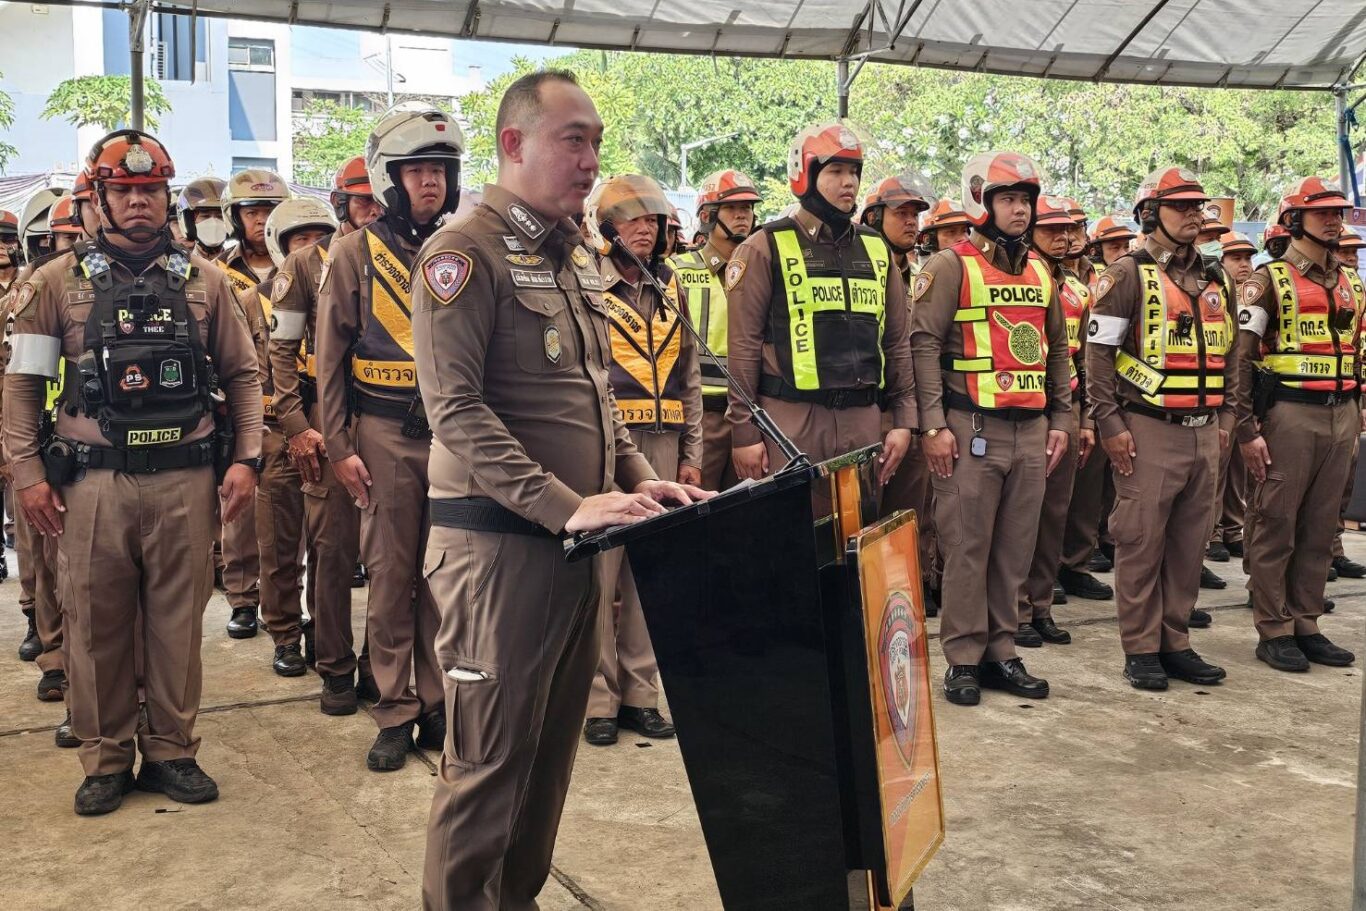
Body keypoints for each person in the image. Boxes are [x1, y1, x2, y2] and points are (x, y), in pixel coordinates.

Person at [412, 68, 707, 910]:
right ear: (513, 143)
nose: (591, 161)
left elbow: (596, 398)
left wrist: (642, 481)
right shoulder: (462, 253)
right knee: (486, 768)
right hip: (497, 553)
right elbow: (456, 410)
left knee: (545, 764)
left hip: (578, 547)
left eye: (596, 142)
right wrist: (566, 503)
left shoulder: (571, 254)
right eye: (573, 140)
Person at [3, 129, 262, 814]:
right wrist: (27, 474)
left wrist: (246, 459)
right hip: (92, 484)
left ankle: (172, 751)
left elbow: (243, 376)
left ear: (166, 196)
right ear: (99, 198)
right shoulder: (52, 283)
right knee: (94, 626)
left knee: (178, 626)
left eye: (151, 189)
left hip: (186, 479)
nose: (140, 201)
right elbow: (23, 387)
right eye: (125, 190)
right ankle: (106, 758)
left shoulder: (206, 281)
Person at [316, 105, 460, 771]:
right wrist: (340, 447)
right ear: (389, 178)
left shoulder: (464, 247)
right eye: (417, 170)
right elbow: (329, 359)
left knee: (444, 577)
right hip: (382, 433)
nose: (430, 182)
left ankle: (437, 701)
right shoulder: (353, 252)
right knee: (391, 574)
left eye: (440, 170)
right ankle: (396, 709)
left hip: (453, 437)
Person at [911, 151, 1072, 706]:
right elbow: (923, 346)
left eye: (1025, 200)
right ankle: (962, 657)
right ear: (981, 201)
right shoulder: (949, 265)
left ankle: (1002, 649)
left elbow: (1057, 352)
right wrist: (933, 425)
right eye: (1008, 199)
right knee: (966, 547)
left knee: (1015, 549)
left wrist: (1062, 418)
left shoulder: (1041, 270)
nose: (1019, 210)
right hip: (970, 426)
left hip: (1031, 430)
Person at [1085, 167, 1235, 691]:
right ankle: (1142, 648)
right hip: (1147, 428)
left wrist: (1228, 418)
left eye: (1198, 205)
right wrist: (1110, 423)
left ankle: (1176, 641)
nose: (1195, 213)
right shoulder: (1126, 274)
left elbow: (1233, 355)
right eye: (1181, 205)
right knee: (1141, 541)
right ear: (1150, 213)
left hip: (1205, 427)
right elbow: (1098, 357)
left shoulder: (1216, 277)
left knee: (1190, 545)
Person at [725, 122, 915, 494]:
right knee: (793, 528)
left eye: (854, 172)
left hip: (864, 421)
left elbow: (896, 342)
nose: (849, 182)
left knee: (858, 526)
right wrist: (743, 433)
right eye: (836, 171)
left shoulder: (877, 248)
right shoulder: (763, 246)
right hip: (789, 422)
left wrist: (904, 420)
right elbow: (743, 347)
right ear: (805, 175)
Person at [580, 174, 701, 746]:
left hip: (665, 443)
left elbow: (691, 378)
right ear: (606, 228)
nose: (646, 230)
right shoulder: (587, 280)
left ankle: (641, 695)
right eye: (633, 220)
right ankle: (598, 701)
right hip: (608, 448)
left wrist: (692, 454)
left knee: (652, 576)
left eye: (653, 220)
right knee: (600, 580)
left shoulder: (670, 286)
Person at [268, 155, 382, 714]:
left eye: (379, 200)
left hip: (391, 420)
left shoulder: (407, 257)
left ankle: (379, 666)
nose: (373, 210)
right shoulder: (305, 263)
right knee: (332, 552)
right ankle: (335, 668)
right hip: (326, 419)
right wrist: (299, 428)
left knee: (391, 556)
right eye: (362, 201)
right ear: (341, 205)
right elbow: (281, 353)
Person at [1236, 177, 1361, 672]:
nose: (1334, 221)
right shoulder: (1267, 280)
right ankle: (1274, 627)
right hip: (1288, 413)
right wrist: (1246, 429)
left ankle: (1306, 621)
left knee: (1321, 524)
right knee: (1276, 521)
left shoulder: (1352, 282)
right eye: (1322, 213)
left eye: (1338, 213)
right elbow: (1240, 359)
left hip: (1342, 412)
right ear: (1293, 220)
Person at [237, 197, 338, 678]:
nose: (311, 248)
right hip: (276, 437)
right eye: (301, 239)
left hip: (327, 431)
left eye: (319, 238)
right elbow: (243, 374)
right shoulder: (249, 302)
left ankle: (322, 629)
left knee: (328, 544)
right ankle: (284, 634)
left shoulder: (340, 293)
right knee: (278, 546)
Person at [861, 173, 941, 612]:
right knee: (861, 516)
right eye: (901, 213)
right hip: (870, 408)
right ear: (874, 218)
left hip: (915, 409)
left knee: (910, 514)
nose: (912, 222)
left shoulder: (926, 276)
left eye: (915, 214)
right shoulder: (859, 269)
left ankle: (906, 600)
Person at [215, 168, 290, 638]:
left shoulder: (302, 266)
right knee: (240, 504)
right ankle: (242, 597)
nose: (261, 220)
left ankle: (283, 601)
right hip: (240, 405)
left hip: (291, 406)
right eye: (252, 212)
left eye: (269, 211)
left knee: (286, 515)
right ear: (234, 217)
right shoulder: (216, 272)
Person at [1015, 194, 1088, 647]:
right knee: (1021, 516)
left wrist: (1085, 418)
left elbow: (1082, 358)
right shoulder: (1016, 278)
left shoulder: (1078, 291)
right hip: (1022, 407)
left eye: (1067, 230)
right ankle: (1016, 609)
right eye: (1051, 230)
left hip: (1066, 406)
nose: (1062, 238)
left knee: (1055, 512)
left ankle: (1040, 604)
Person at [669, 168, 761, 491]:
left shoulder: (763, 271)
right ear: (707, 216)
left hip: (749, 416)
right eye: (732, 208)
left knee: (747, 508)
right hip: (700, 417)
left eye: (747, 208)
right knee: (695, 505)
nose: (742, 215)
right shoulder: (677, 271)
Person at [1205, 231, 1257, 565]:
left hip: (1245, 395)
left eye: (1248, 258)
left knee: (1239, 468)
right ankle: (1210, 535)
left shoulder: (1252, 295)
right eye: (1236, 258)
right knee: (1217, 468)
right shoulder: (1213, 292)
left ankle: (1232, 529)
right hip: (1216, 395)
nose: (1244, 264)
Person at [175, 178, 230, 260]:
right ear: (190, 222)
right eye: (205, 216)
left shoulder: (241, 263)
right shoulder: (179, 264)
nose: (214, 223)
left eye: (220, 217)